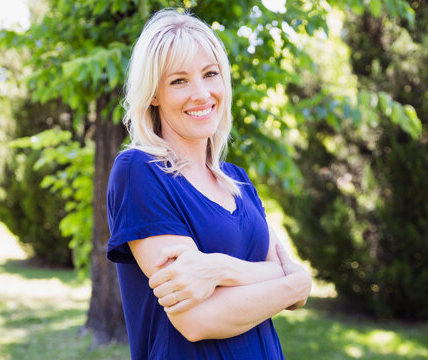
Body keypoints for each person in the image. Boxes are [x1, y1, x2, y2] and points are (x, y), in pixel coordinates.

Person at [106, 8, 312, 360]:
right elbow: (198, 319)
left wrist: (219, 269)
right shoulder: (139, 171)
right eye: (179, 81)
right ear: (153, 94)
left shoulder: (239, 182)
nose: (201, 94)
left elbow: (297, 289)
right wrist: (291, 282)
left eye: (210, 74)